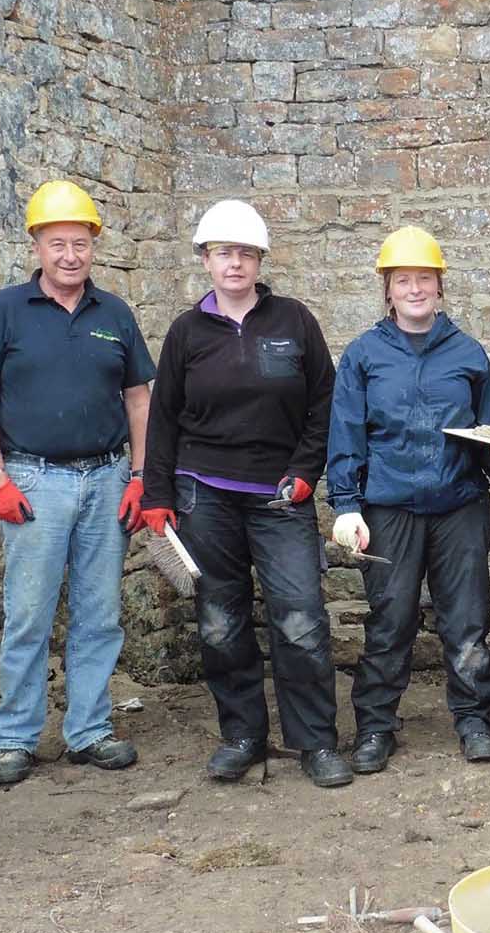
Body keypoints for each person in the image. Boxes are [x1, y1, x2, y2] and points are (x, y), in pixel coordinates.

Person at [140, 200, 350, 787]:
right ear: (206, 260)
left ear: (260, 261)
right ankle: (242, 735)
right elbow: (163, 420)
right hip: (204, 495)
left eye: (245, 253)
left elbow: (324, 403)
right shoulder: (186, 333)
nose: (234, 263)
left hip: (281, 496)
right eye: (223, 252)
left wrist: (308, 467)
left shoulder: (294, 321)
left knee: (301, 618)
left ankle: (316, 742)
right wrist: (158, 494)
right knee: (220, 621)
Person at [0, 181, 156, 788]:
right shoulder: (6, 311)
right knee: (28, 613)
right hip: (33, 479)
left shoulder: (115, 314)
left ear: (93, 246)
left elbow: (139, 400)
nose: (70, 255)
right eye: (57, 243)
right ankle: (15, 736)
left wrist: (142, 476)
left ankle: (90, 730)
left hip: (106, 477)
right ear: (37, 246)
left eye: (80, 243)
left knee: (100, 612)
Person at [327, 226, 490, 773]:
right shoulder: (364, 356)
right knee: (390, 620)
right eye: (402, 280)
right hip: (389, 506)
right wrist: (346, 503)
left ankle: (476, 719)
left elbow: (489, 430)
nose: (414, 289)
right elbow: (346, 433)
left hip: (460, 505)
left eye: (424, 279)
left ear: (440, 286)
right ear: (387, 289)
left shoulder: (468, 353)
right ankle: (376, 727)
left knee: (467, 618)